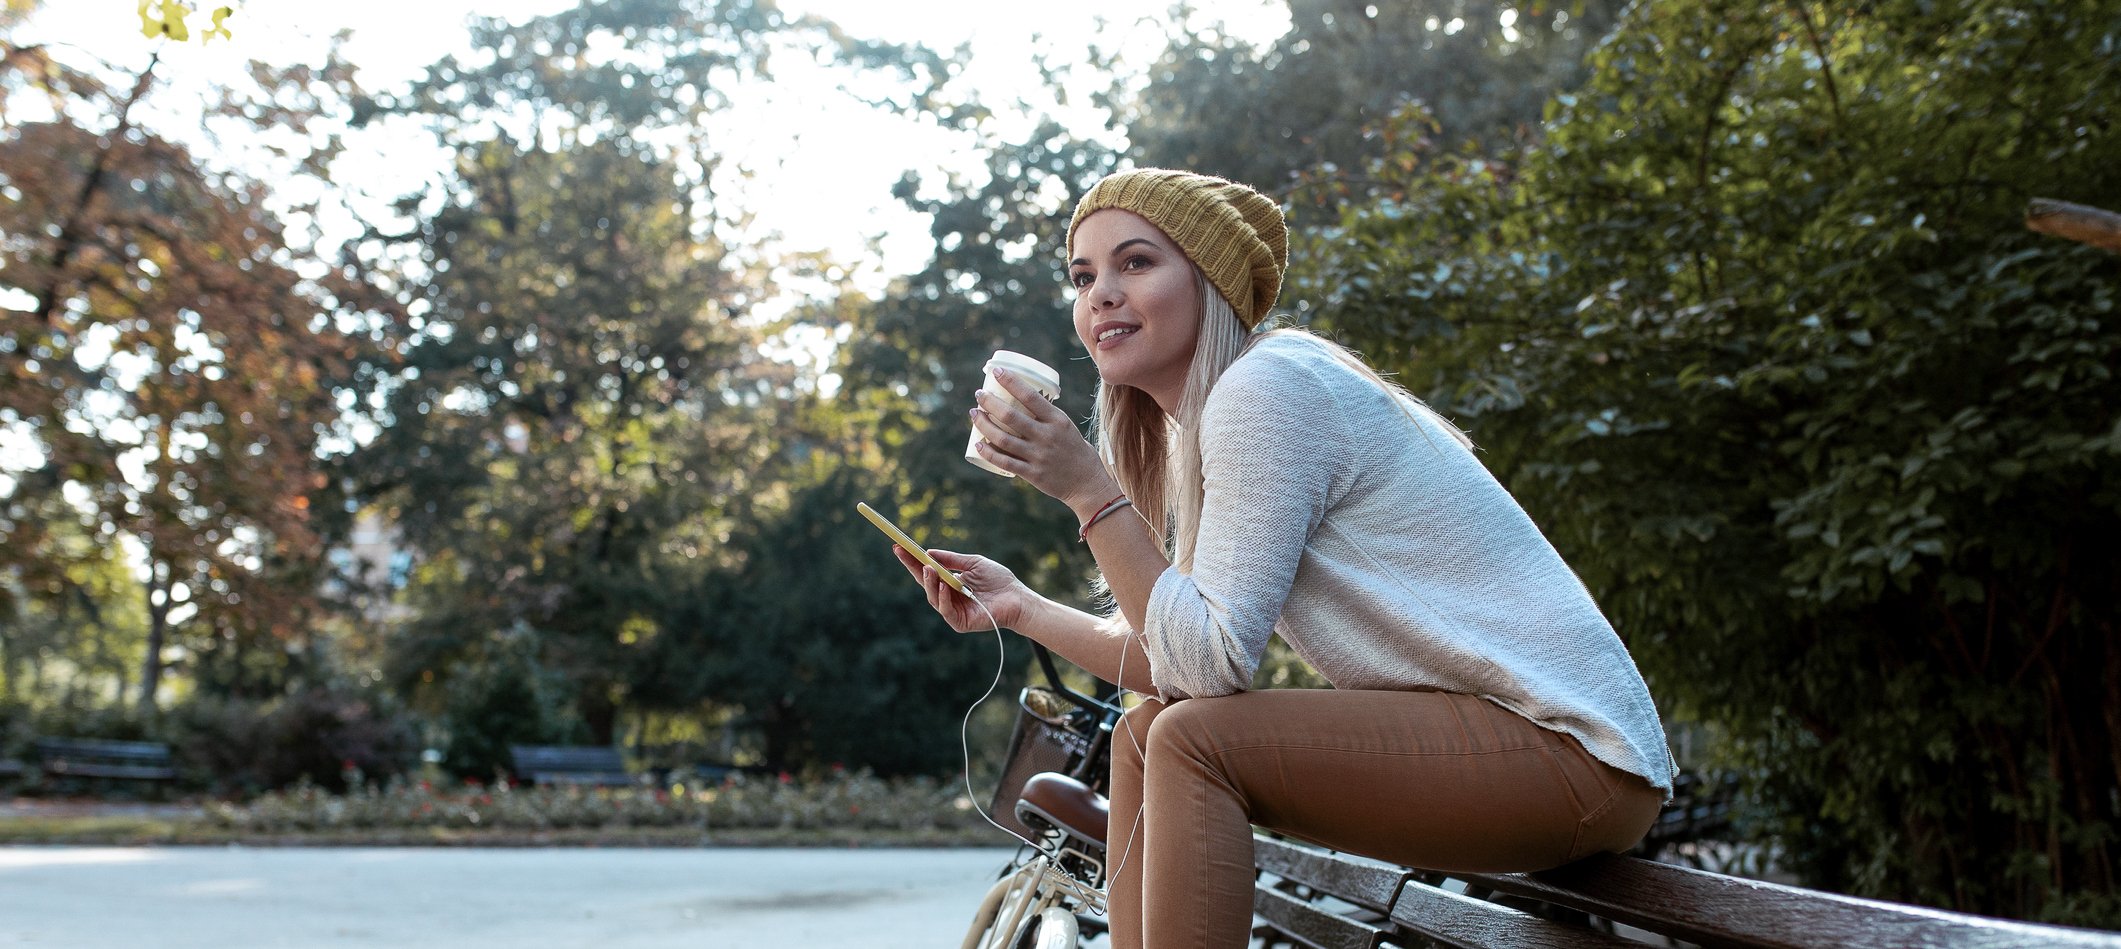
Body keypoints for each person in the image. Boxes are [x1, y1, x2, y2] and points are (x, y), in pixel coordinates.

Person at [892, 168, 1676, 949]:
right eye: (1083, 274)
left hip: (1570, 755)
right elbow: (1176, 658)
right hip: (1518, 752)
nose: (1100, 293)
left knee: (1189, 737)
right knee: (1147, 731)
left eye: (1136, 262)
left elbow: (1206, 667)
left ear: (1208, 282)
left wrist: (1089, 494)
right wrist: (1021, 606)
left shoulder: (1266, 388)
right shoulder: (1213, 420)